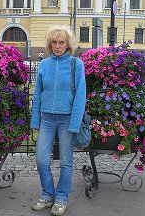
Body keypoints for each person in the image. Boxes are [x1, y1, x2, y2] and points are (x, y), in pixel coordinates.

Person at [30, 25, 86, 216]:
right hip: (47, 118)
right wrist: (35, 121)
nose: (57, 46)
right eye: (54, 42)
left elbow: (80, 95)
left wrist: (75, 123)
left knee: (66, 162)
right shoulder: (44, 65)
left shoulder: (75, 64)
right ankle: (47, 194)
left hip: (67, 119)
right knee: (41, 160)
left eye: (61, 42)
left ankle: (61, 197)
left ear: (68, 44)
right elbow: (37, 94)